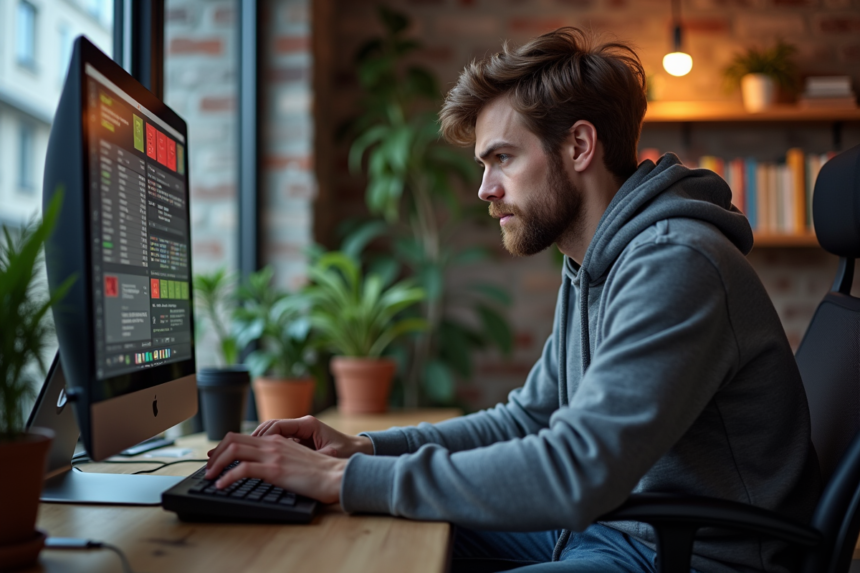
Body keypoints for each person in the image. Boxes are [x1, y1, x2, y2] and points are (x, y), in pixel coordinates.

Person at [206, 27, 821, 573]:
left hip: (681, 554)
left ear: (579, 147)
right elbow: (529, 418)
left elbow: (578, 469)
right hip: (611, 529)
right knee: (355, 537)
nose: (484, 189)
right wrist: (365, 448)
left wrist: (343, 478)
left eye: (502, 158)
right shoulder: (591, 261)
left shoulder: (676, 262)